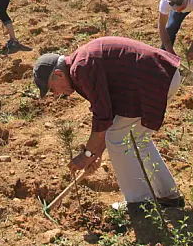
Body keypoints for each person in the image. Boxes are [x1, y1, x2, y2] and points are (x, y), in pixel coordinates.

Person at [33, 37, 184, 210]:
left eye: (52, 89)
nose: (56, 94)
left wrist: (87, 155)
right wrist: (96, 154)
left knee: (119, 139)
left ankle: (140, 202)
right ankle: (169, 196)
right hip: (162, 77)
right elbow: (110, 117)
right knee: (136, 139)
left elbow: (103, 117)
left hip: (155, 79)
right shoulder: (79, 66)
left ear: (58, 74)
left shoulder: (81, 68)